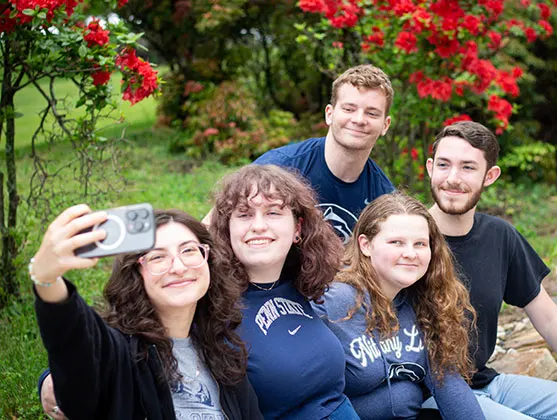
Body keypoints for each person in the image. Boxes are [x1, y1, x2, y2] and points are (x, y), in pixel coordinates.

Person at [422, 120, 557, 420]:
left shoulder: (500, 236)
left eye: (468, 167)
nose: (452, 178)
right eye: (444, 165)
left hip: (485, 382)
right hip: (431, 396)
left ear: (490, 176)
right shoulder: (407, 236)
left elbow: (548, 316)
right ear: (430, 167)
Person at [31, 206, 262, 419]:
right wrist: (46, 279)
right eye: (158, 257)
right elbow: (76, 341)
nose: (179, 267)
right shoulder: (119, 352)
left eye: (189, 250)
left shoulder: (222, 354)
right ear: (135, 274)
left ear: (207, 260)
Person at [312, 192, 485, 420]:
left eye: (420, 244)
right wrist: (399, 399)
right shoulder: (332, 303)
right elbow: (308, 399)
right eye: (397, 242)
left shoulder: (425, 300)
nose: (411, 254)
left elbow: (449, 384)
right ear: (365, 245)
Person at [209, 164, 360, 419]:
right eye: (244, 214)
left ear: (297, 229)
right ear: (227, 229)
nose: (258, 226)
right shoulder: (211, 303)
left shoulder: (301, 284)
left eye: (273, 213)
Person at [203, 64, 395, 242]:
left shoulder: (382, 194)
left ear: (385, 125)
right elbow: (210, 226)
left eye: (372, 113)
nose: (359, 119)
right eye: (349, 109)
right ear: (329, 114)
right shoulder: (280, 167)